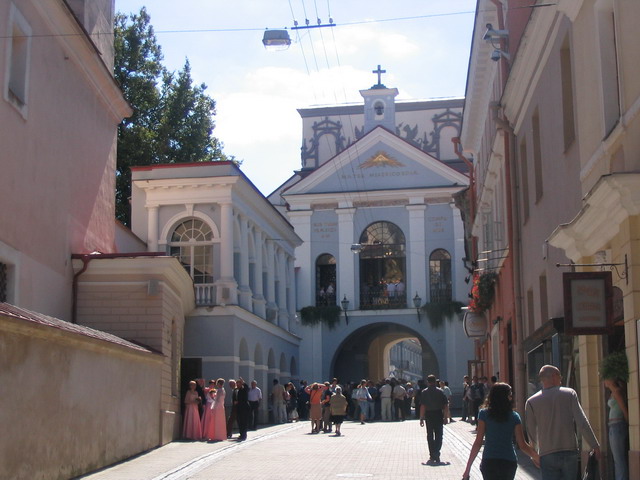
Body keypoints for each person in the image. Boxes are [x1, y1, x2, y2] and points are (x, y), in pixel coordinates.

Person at [525, 365, 600, 480]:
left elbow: (531, 432)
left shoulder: (531, 402)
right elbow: (582, 422)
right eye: (560, 376)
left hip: (547, 453)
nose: (561, 379)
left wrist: (534, 455)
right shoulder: (570, 394)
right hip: (569, 451)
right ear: (554, 376)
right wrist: (594, 444)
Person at [462, 382, 539, 480]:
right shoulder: (514, 416)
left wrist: (468, 469)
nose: (511, 398)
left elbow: (478, 442)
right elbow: (522, 445)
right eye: (510, 395)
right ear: (506, 397)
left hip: (489, 460)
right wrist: (537, 457)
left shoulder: (484, 414)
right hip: (508, 461)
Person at [419, 374, 449, 464]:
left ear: (428, 382)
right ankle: (437, 452)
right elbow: (445, 405)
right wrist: (446, 417)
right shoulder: (440, 392)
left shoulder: (424, 392)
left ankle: (432, 454)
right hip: (438, 414)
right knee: (439, 435)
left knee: (430, 435)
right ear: (435, 381)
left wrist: (421, 417)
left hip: (429, 415)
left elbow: (423, 406)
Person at [604, 378, 628, 480]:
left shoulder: (617, 392)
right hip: (613, 425)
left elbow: (623, 409)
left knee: (619, 459)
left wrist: (628, 422)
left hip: (618, 425)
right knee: (617, 458)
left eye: (605, 378)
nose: (603, 381)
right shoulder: (612, 392)